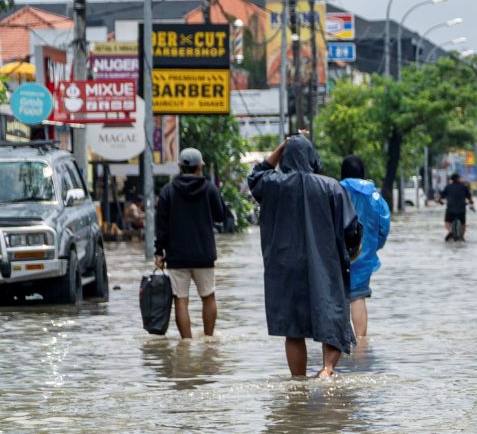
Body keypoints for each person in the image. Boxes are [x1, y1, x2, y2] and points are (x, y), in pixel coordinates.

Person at [248, 135, 357, 378]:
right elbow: (351, 228)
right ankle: (327, 371)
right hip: (325, 265)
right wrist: (348, 255)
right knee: (332, 317)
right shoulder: (331, 187)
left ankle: (298, 381)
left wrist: (282, 146)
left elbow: (255, 176)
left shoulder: (272, 185)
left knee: (293, 329)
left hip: (284, 268)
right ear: (312, 158)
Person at [154, 148, 228, 339]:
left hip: (176, 256)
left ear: (179, 166)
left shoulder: (168, 191)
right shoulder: (209, 189)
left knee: (180, 300)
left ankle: (185, 344)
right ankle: (209, 340)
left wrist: (159, 252)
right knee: (208, 296)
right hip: (204, 254)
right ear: (200, 167)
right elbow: (221, 215)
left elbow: (161, 225)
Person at [339, 155, 391, 338]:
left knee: (334, 296)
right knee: (358, 296)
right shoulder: (375, 196)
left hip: (335, 254)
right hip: (364, 255)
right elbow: (384, 225)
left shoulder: (334, 190)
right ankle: (361, 344)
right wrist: (373, 247)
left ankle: (335, 343)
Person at [441, 172, 475, 241]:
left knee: (447, 223)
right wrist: (472, 204)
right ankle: (462, 236)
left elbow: (441, 197)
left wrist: (440, 202)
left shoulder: (448, 187)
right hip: (461, 210)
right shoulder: (464, 187)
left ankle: (451, 231)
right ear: (458, 179)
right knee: (463, 224)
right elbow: (470, 198)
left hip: (450, 209)